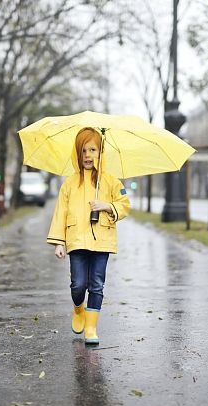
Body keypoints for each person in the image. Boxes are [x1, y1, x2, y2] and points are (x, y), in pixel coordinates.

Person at [47, 127, 130, 345]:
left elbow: (124, 205)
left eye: (93, 150)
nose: (87, 155)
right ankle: (78, 308)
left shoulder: (111, 181)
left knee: (96, 284)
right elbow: (60, 213)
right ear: (78, 154)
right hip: (77, 240)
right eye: (83, 151)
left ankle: (91, 328)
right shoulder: (70, 183)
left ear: (100, 153)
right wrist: (59, 242)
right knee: (78, 284)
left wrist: (107, 205)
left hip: (102, 240)